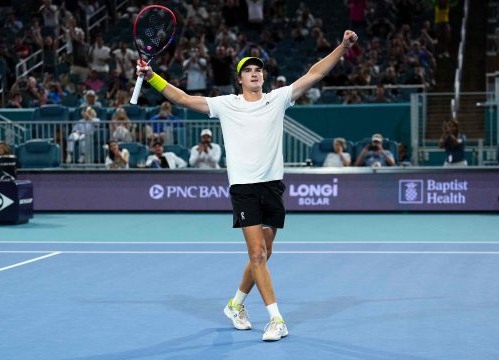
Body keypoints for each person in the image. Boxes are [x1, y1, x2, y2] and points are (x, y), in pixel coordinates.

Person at [136, 29, 359, 342]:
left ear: (263, 77)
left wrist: (341, 46)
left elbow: (316, 72)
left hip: (272, 186)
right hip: (244, 188)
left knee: (265, 254)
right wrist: (152, 78)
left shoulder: (278, 98)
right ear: (239, 79)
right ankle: (276, 319)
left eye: (258, 70)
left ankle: (235, 305)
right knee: (256, 255)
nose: (254, 74)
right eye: (248, 71)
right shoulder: (226, 104)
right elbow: (183, 98)